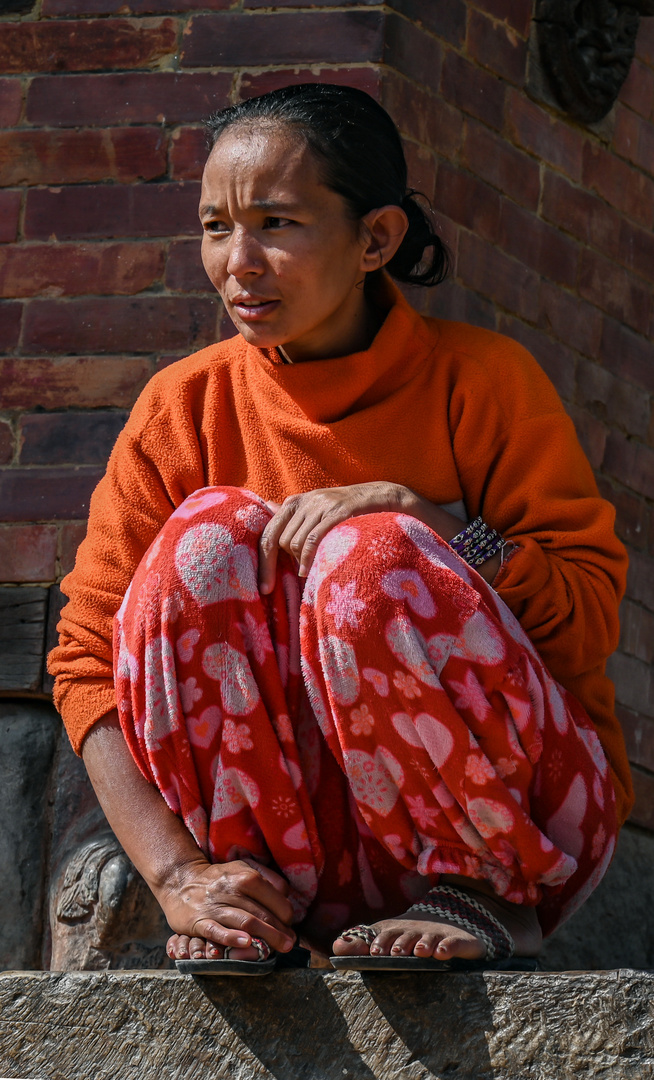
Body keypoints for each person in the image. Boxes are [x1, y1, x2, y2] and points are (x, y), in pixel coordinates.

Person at [49, 83, 632, 974]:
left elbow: (589, 625)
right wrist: (175, 875)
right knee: (206, 533)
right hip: (302, 858)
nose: (238, 262)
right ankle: (250, 900)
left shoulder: (483, 383)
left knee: (370, 556)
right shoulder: (183, 405)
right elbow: (86, 662)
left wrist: (434, 529)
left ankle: (483, 895)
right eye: (215, 227)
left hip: (531, 829)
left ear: (376, 239)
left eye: (276, 224)